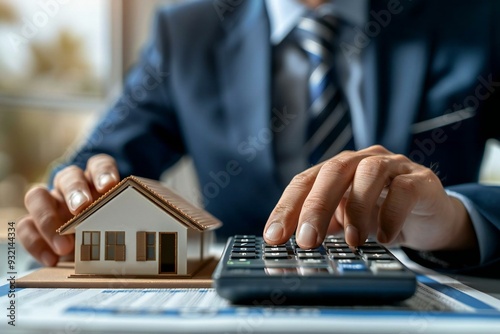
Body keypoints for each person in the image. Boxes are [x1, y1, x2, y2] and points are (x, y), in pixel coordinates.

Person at [17, 0, 500, 277]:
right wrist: (74, 197)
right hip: (240, 302)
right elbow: (98, 160)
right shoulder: (187, 31)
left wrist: (458, 219)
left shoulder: (475, 18)